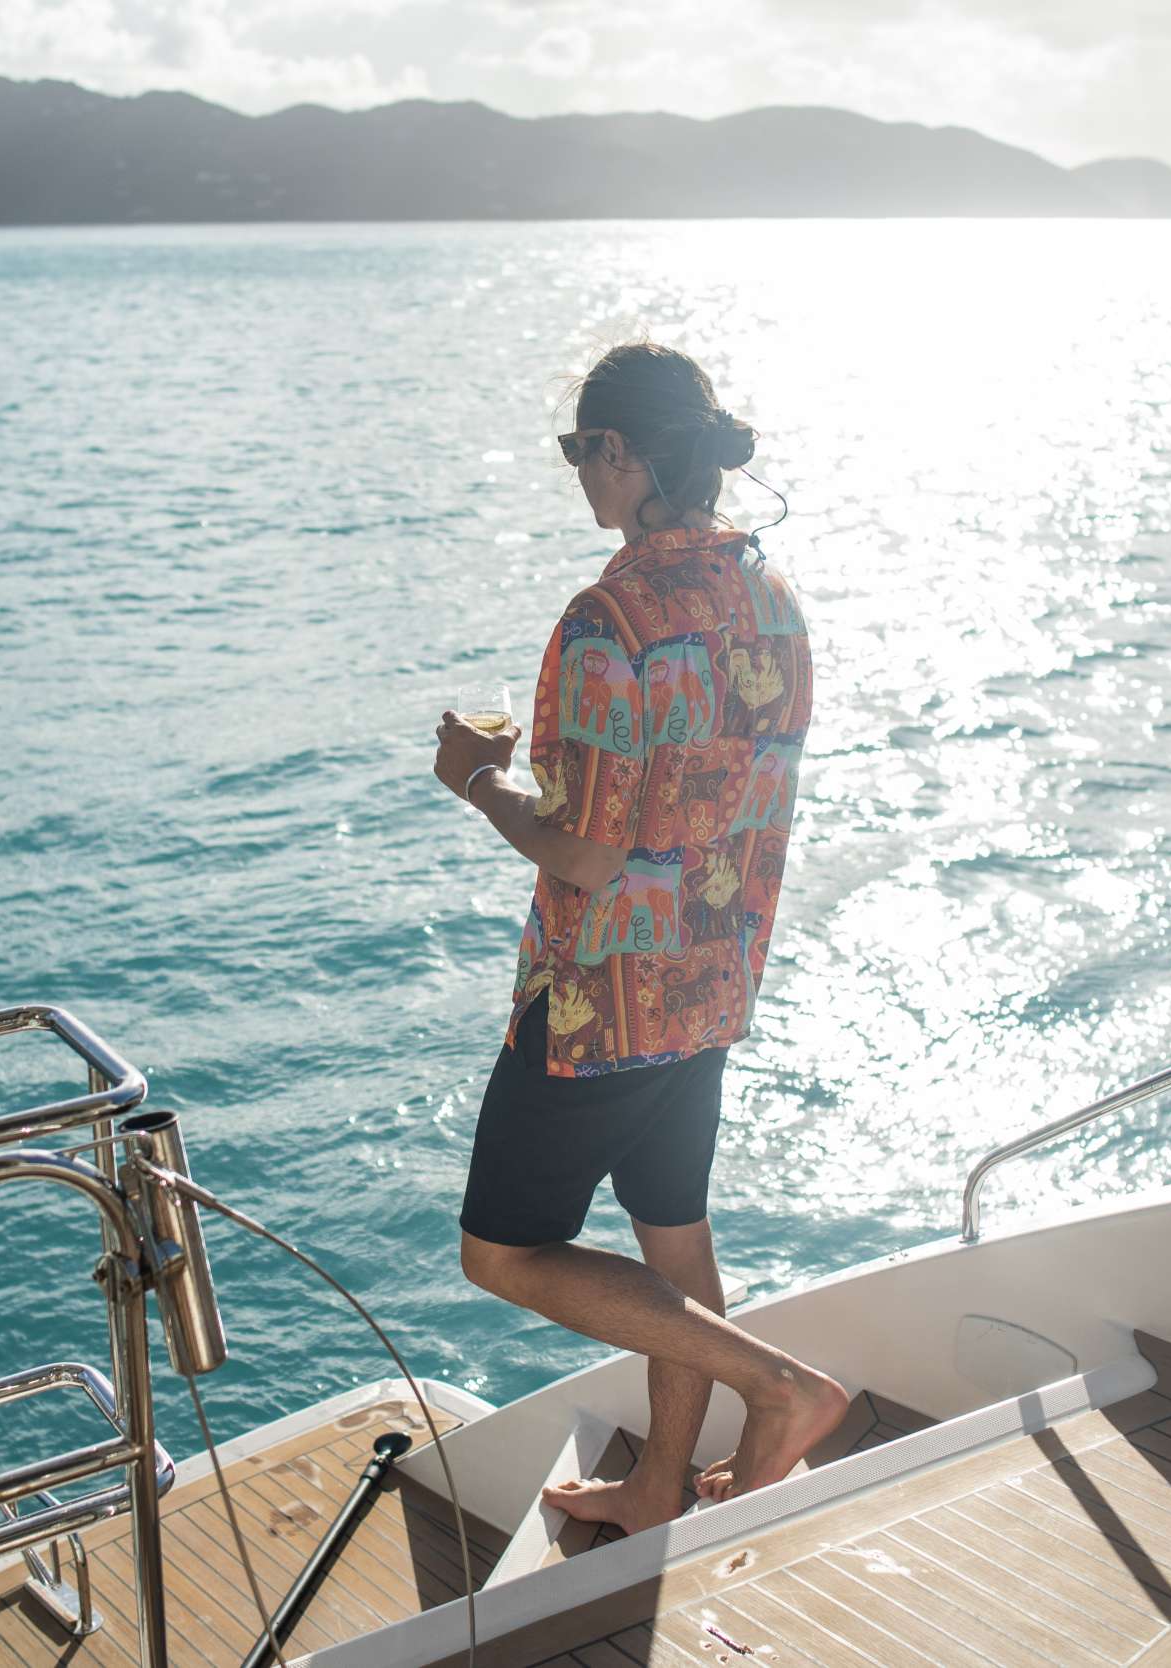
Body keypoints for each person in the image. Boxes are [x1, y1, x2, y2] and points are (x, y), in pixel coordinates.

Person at [433, 343, 841, 1538]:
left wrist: (475, 780)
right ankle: (660, 1484)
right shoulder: (770, 598)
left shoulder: (607, 620)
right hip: (712, 980)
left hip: (599, 1004)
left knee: (502, 1255)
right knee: (675, 1241)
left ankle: (780, 1388)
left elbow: (586, 855)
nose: (575, 471)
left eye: (579, 449)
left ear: (619, 452)